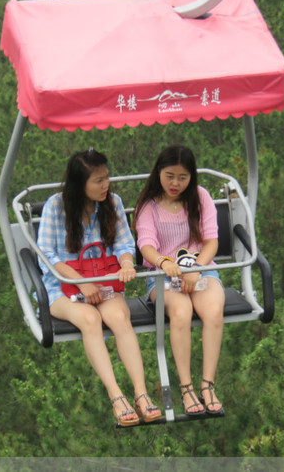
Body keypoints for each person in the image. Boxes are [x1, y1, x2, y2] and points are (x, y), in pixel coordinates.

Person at [37, 149, 161, 426]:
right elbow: (46, 254)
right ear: (79, 184)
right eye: (98, 180)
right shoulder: (56, 207)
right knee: (90, 319)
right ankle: (117, 396)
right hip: (64, 286)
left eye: (107, 178)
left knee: (119, 317)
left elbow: (124, 244)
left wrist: (127, 264)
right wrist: (80, 282)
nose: (106, 185)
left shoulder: (112, 203)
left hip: (103, 280)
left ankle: (141, 393)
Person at [134, 145, 225, 415]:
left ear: (191, 177)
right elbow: (146, 245)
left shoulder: (200, 197)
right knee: (181, 311)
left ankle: (207, 384)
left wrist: (197, 267)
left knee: (213, 312)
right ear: (159, 173)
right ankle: (186, 389)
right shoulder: (148, 206)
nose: (175, 184)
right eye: (170, 176)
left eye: (183, 178)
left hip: (200, 269)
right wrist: (164, 263)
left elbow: (211, 241)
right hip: (163, 275)